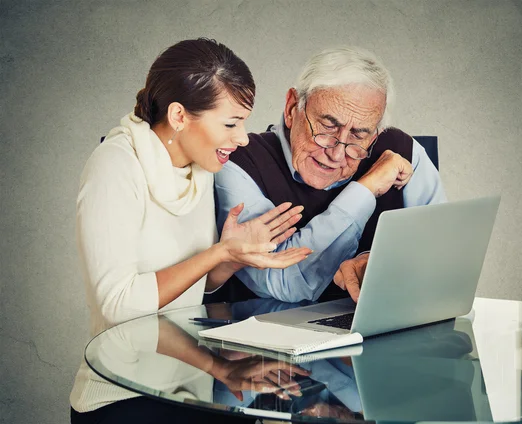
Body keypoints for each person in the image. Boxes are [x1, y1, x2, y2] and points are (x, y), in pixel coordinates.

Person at [69, 38, 311, 424]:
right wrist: (215, 253)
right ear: (179, 116)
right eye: (231, 123)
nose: (243, 138)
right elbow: (118, 305)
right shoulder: (115, 167)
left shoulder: (198, 169)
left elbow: (196, 288)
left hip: (191, 386)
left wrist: (229, 257)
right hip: (122, 395)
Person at [215, 46, 447, 303]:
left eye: (358, 135)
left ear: (376, 135)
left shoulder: (404, 153)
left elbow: (442, 268)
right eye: (327, 127)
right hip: (269, 336)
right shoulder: (238, 160)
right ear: (292, 108)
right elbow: (281, 282)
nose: (336, 154)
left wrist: (378, 264)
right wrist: (364, 191)